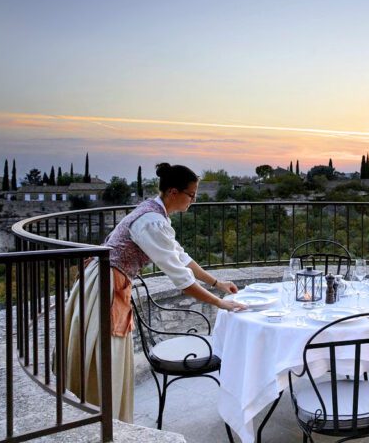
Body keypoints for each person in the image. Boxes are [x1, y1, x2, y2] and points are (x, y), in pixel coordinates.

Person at [61, 163, 246, 422]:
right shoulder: (152, 222)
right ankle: (98, 421)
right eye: (191, 195)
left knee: (105, 359)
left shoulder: (156, 215)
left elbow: (182, 258)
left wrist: (217, 283)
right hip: (105, 286)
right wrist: (220, 304)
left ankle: (105, 419)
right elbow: (182, 280)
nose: (193, 201)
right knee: (104, 360)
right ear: (173, 191)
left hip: (109, 281)